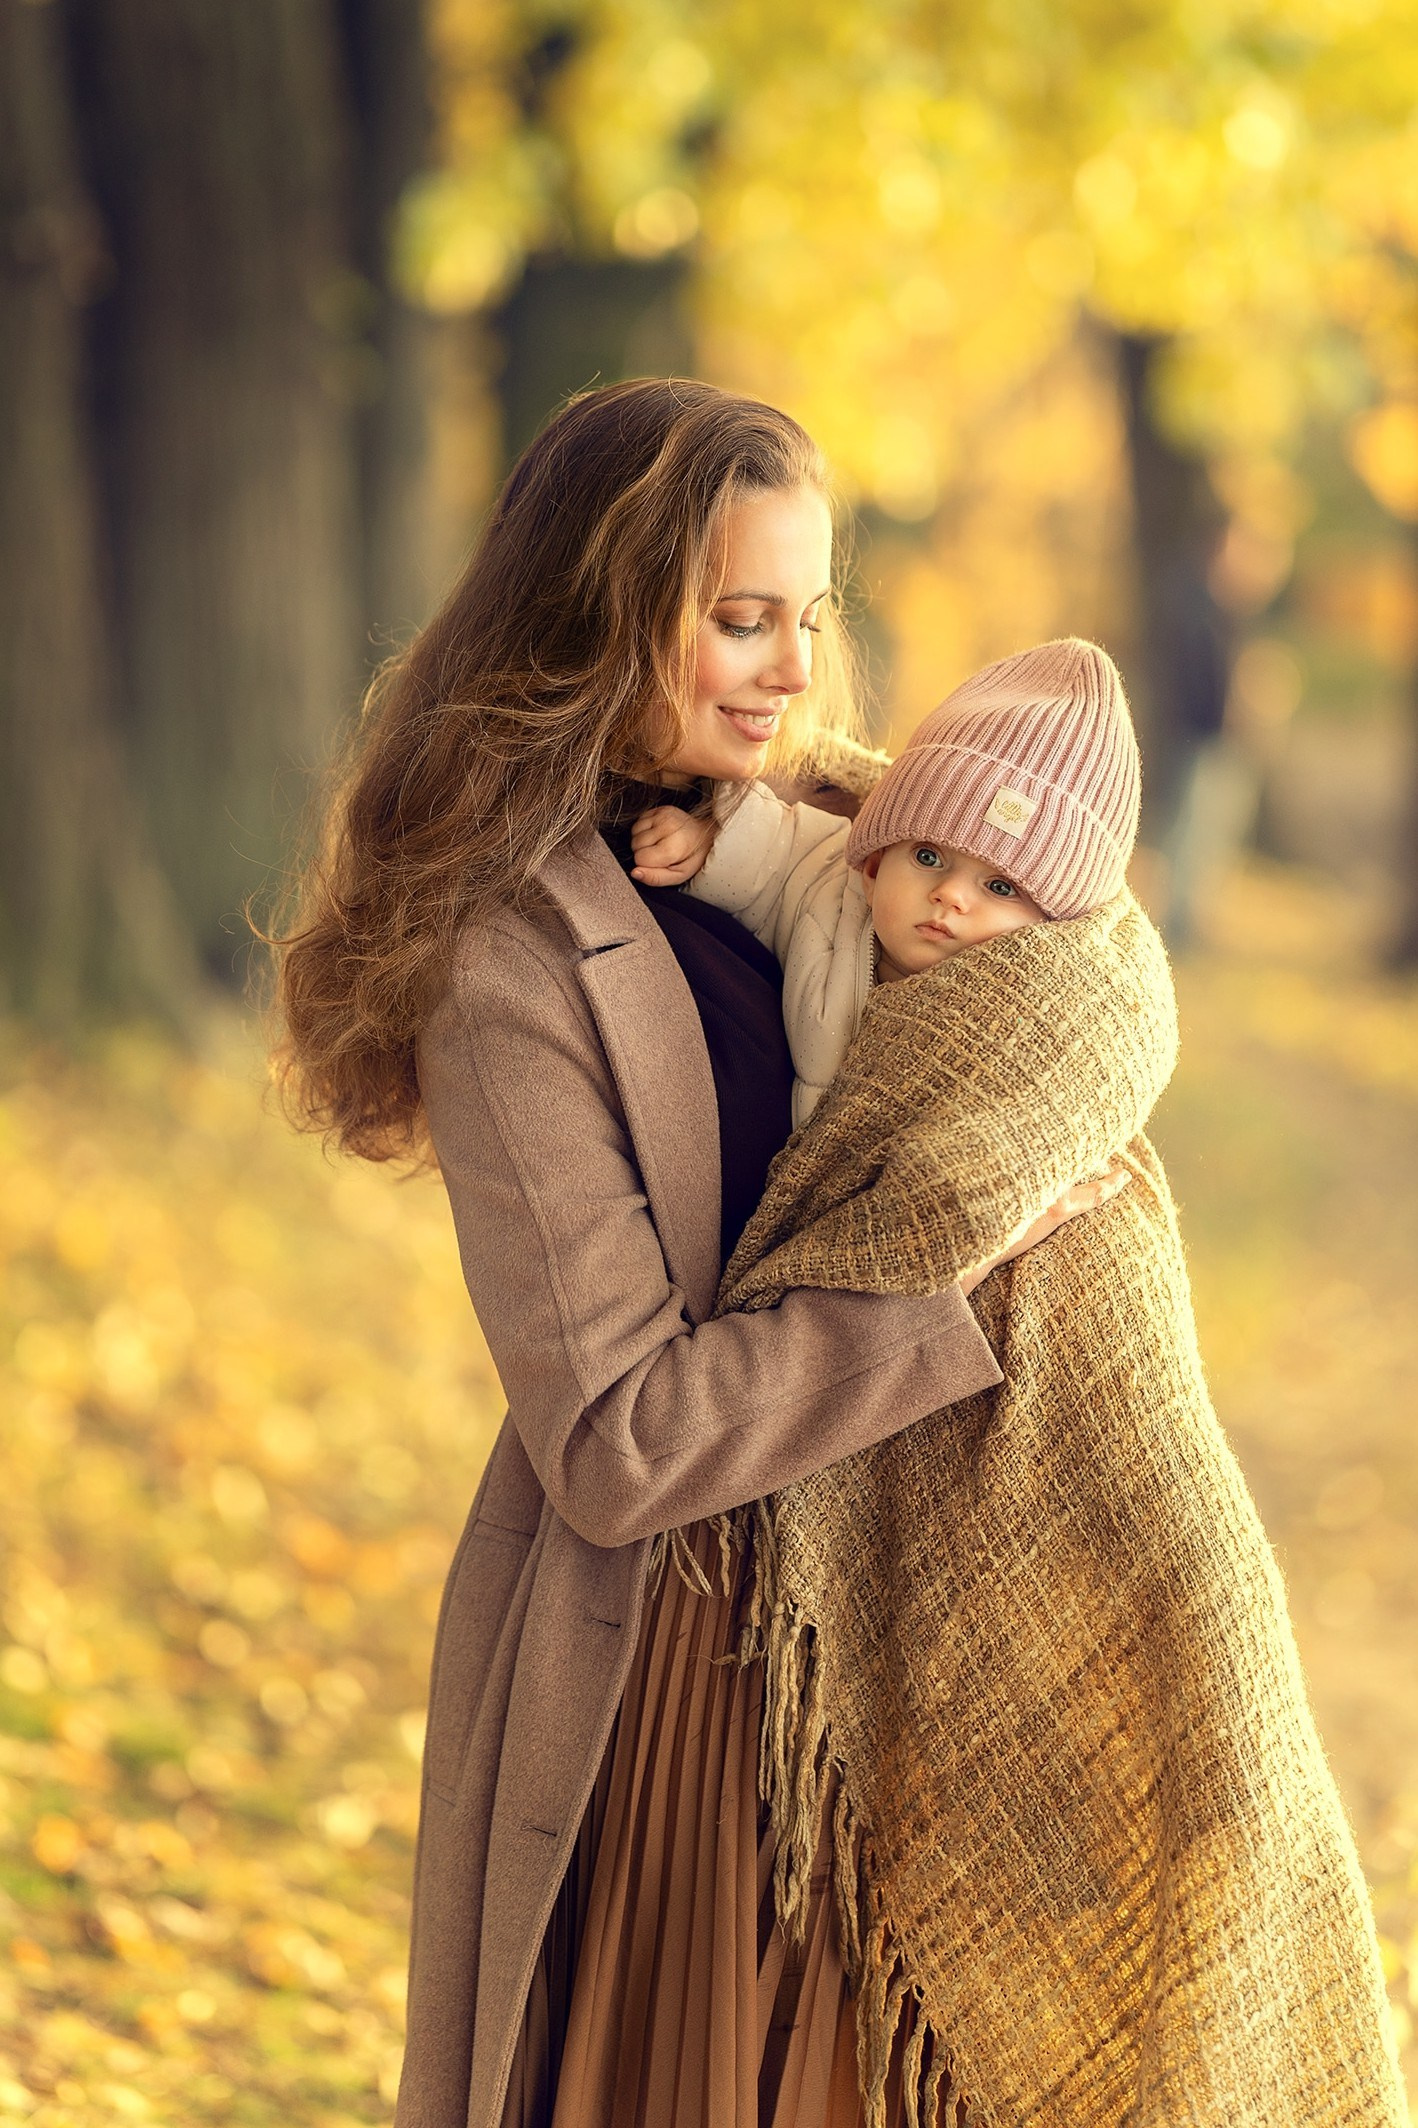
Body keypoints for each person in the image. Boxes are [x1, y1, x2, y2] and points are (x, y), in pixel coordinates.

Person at [271, 378, 1123, 2128]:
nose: (793, 666)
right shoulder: (507, 960)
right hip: (690, 1674)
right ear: (601, 611)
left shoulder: (852, 833)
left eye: (805, 617)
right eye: (739, 619)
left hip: (894, 1634)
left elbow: (1064, 945)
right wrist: (941, 1288)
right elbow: (618, 1437)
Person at [629, 637, 1139, 1127]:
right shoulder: (829, 889)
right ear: (873, 866)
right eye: (927, 855)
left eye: (1001, 888)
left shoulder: (1013, 1020)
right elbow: (777, 847)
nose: (951, 894)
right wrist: (708, 839)